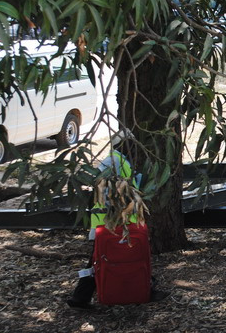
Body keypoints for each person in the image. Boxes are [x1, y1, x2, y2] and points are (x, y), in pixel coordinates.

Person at [66, 131, 167, 309]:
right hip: (112, 223)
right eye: (133, 145)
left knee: (102, 259)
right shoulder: (115, 162)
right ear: (124, 144)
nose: (136, 150)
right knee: (116, 258)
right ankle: (137, 290)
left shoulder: (118, 161)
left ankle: (81, 297)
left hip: (112, 222)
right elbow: (113, 195)